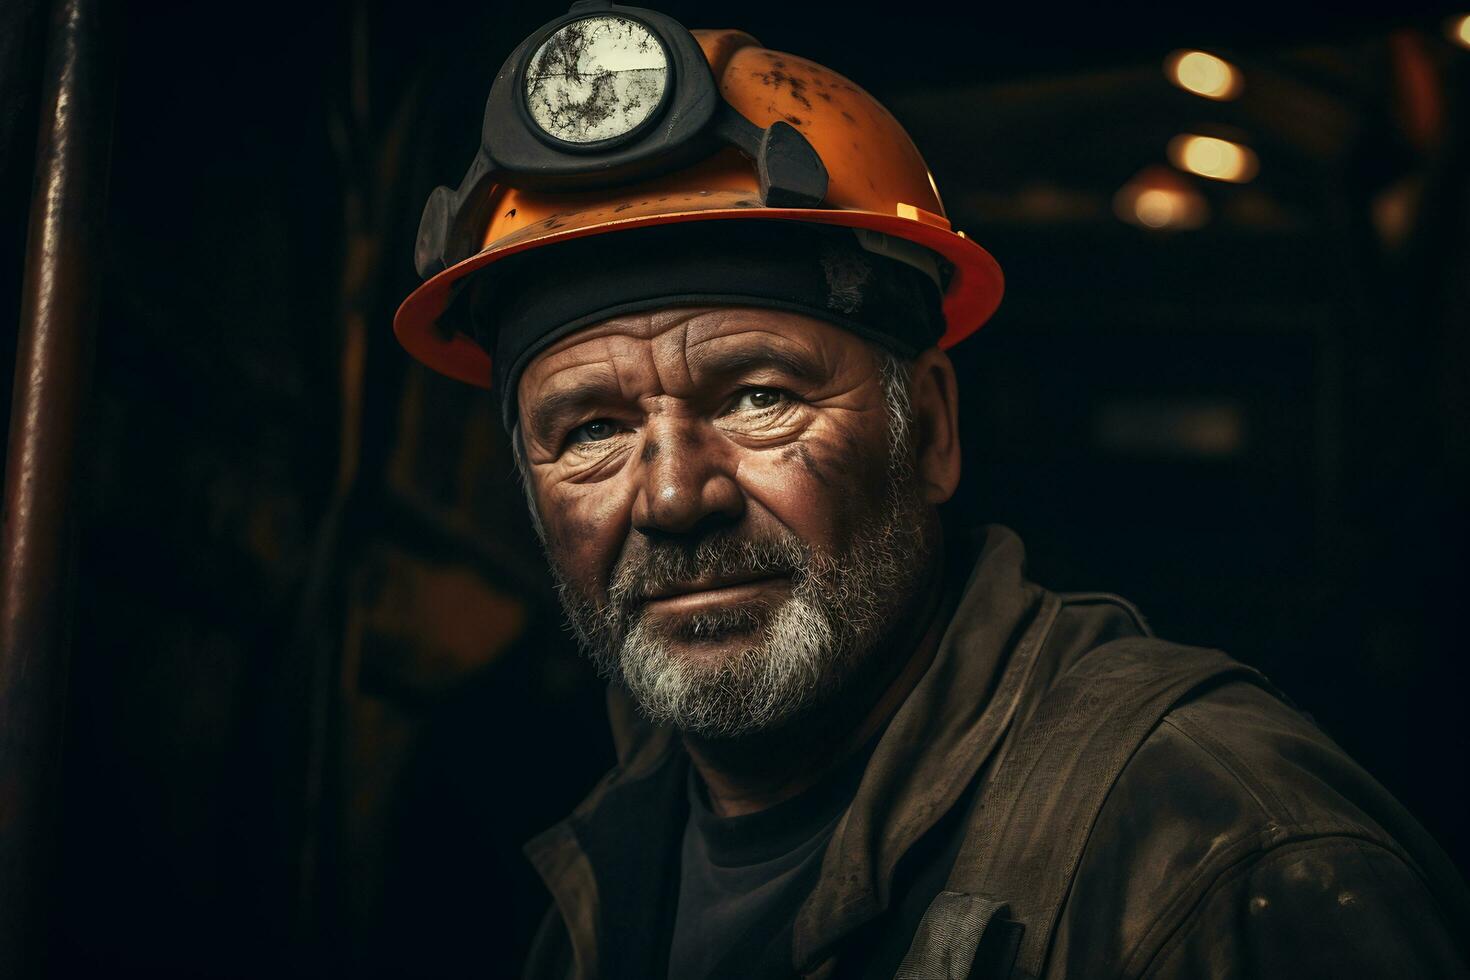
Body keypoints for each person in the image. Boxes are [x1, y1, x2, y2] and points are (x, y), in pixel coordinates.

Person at [393, 5, 1470, 977]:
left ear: (936, 431)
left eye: (760, 396)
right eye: (590, 429)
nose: (675, 495)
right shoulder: (594, 872)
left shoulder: (1217, 857)